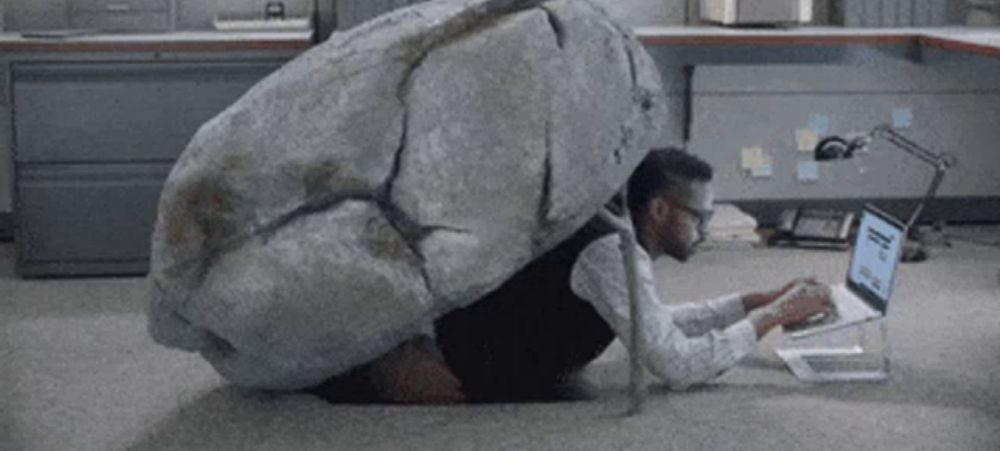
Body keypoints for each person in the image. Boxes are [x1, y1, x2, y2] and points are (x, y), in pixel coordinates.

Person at [311, 148, 832, 404]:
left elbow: (650, 324)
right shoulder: (612, 251)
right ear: (657, 210)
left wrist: (750, 302)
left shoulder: (611, 228)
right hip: (445, 368)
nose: (706, 229)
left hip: (457, 344)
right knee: (313, 379)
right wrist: (774, 316)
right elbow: (673, 363)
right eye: (698, 216)